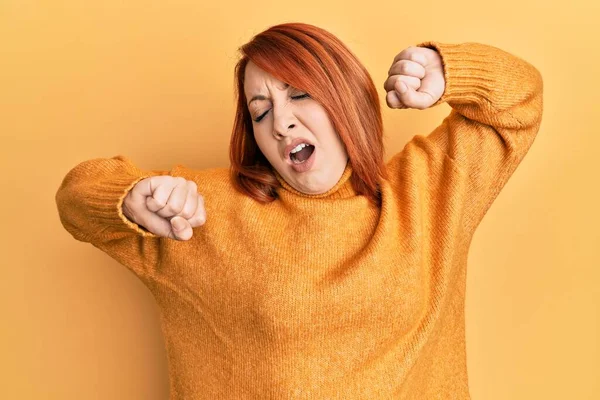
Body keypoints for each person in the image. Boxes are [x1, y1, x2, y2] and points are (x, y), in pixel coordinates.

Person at [55, 22, 543, 399]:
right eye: (260, 111)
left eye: (300, 95)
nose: (282, 122)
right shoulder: (205, 214)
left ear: (344, 97)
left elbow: (519, 101)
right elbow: (77, 195)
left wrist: (447, 71)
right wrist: (132, 198)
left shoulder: (429, 192)